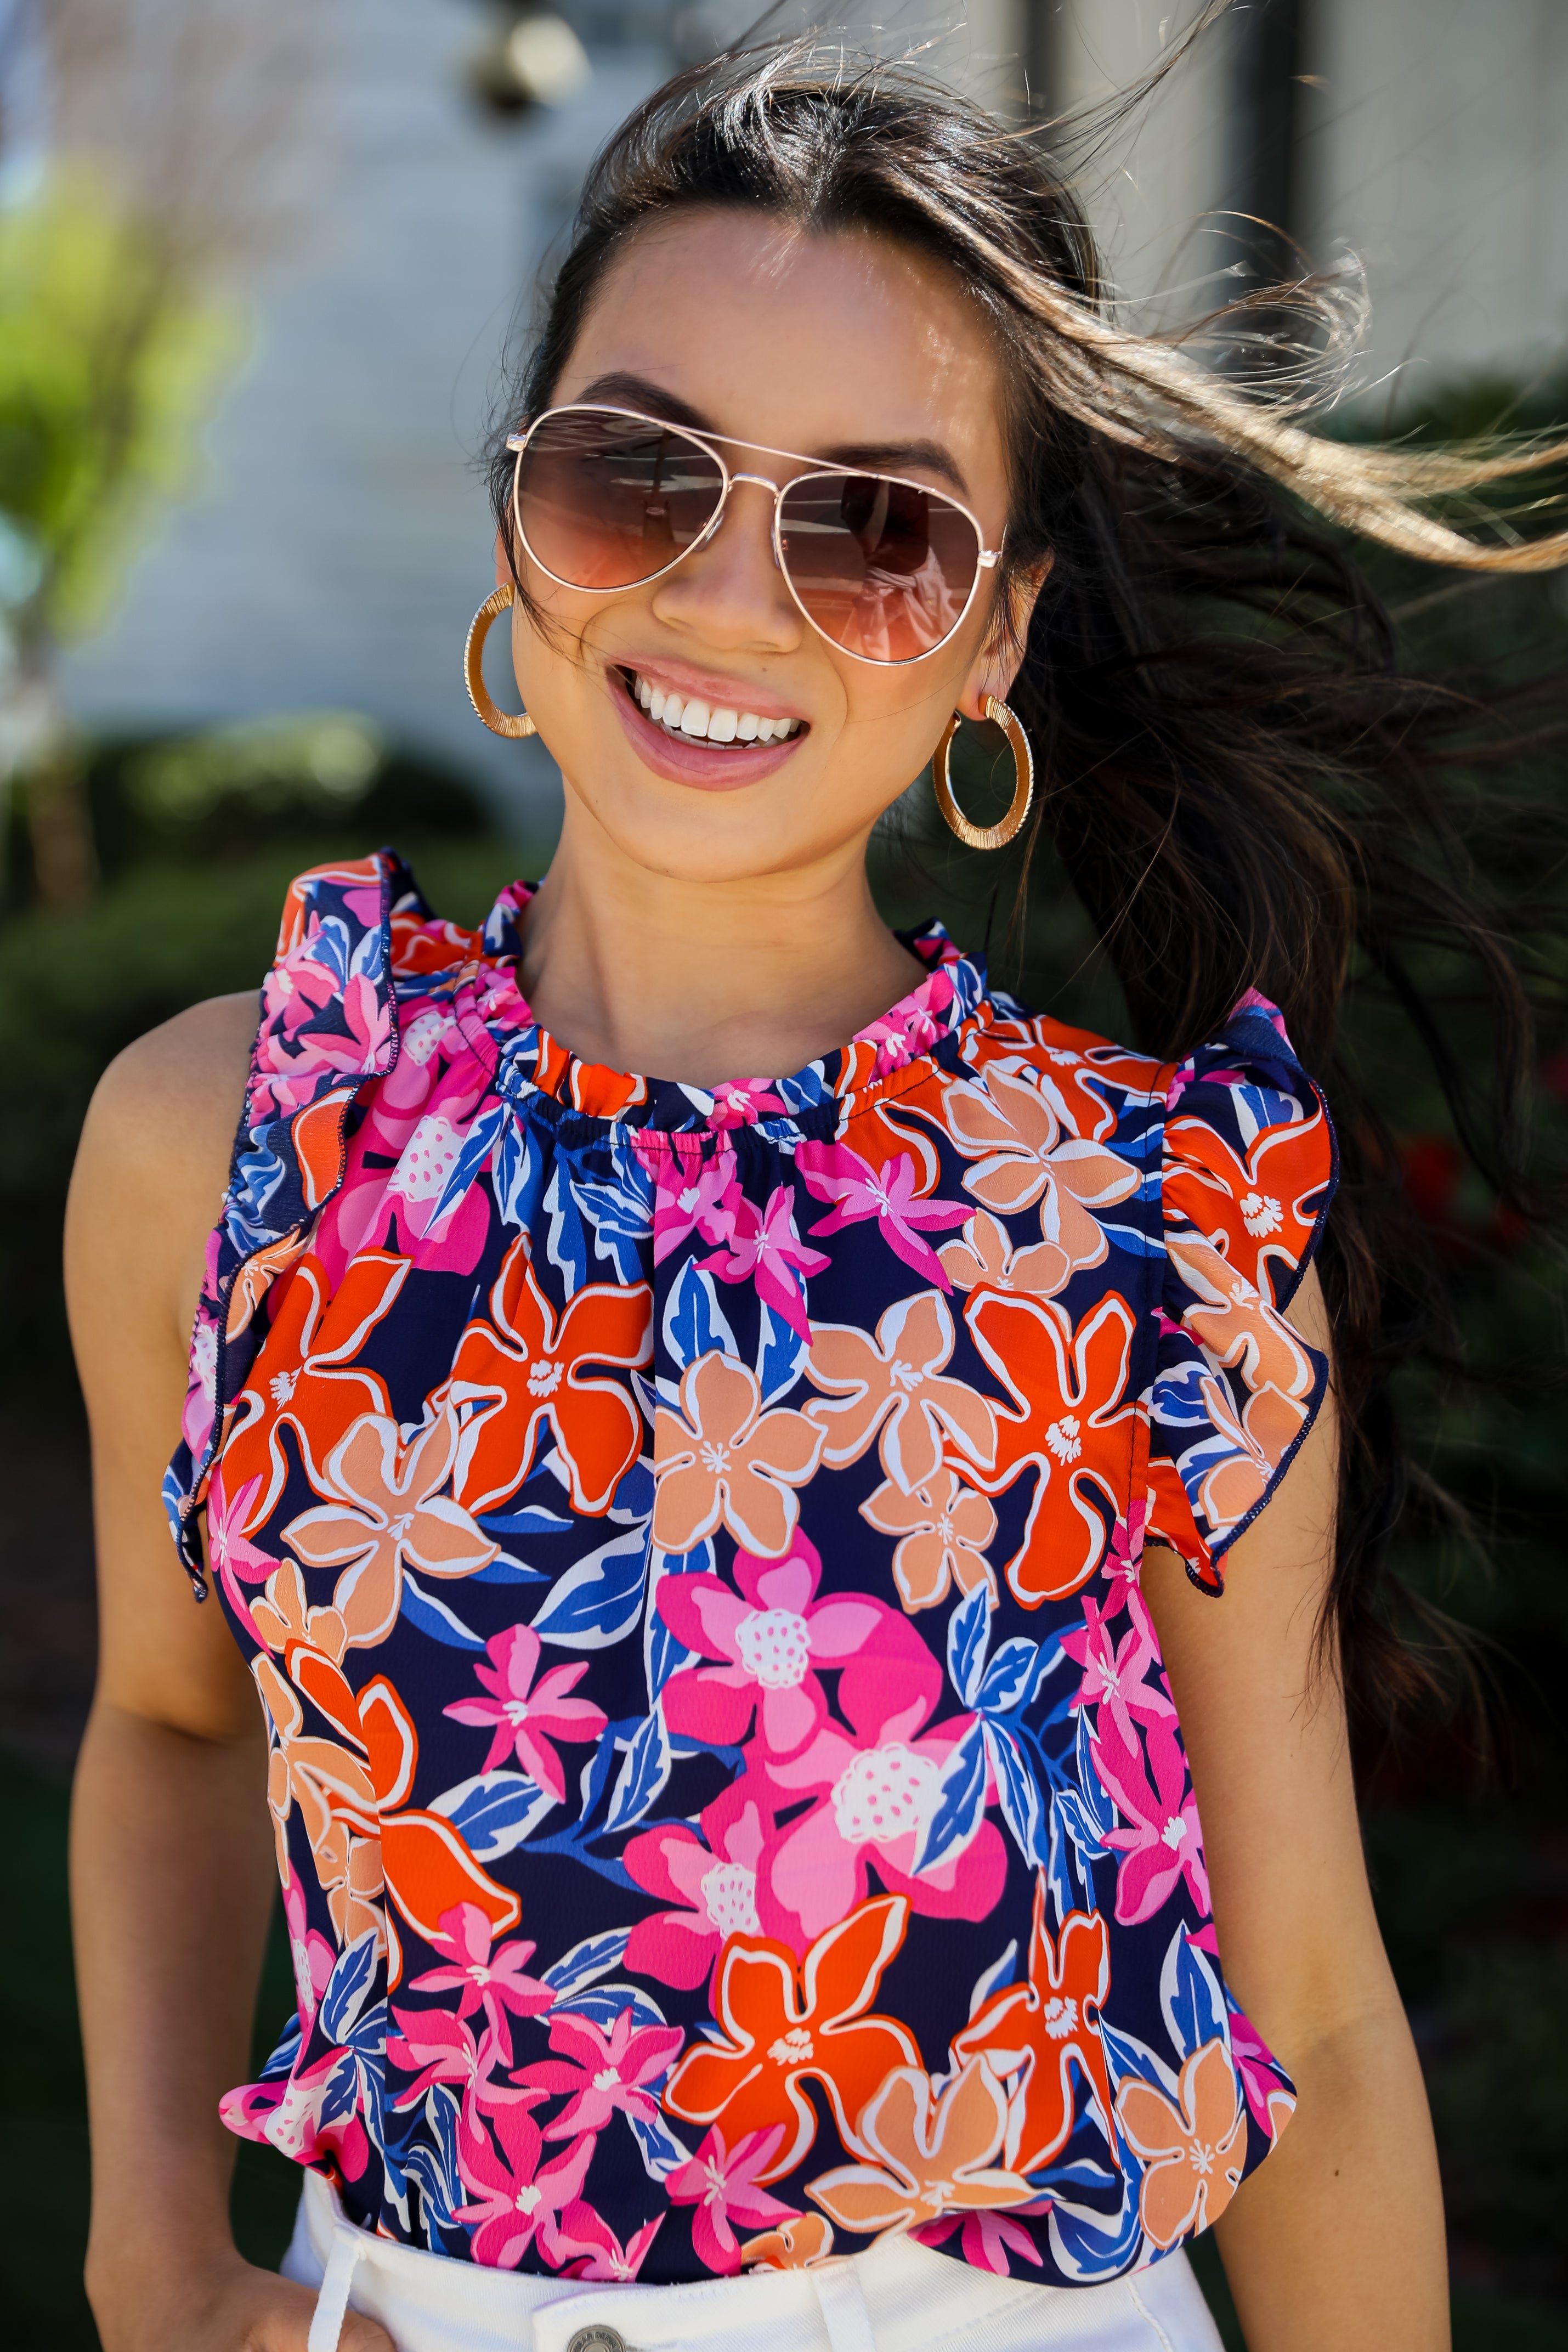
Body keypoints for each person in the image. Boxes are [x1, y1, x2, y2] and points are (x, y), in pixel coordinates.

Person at [64, 40, 1566, 2352]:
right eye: (632, 472)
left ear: (992, 638)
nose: (727, 591)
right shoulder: (235, 1143)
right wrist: (151, 2236)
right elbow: (172, 1723)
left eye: (875, 527)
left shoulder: (1147, 1221)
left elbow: (1318, 2017)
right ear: (513, 519)